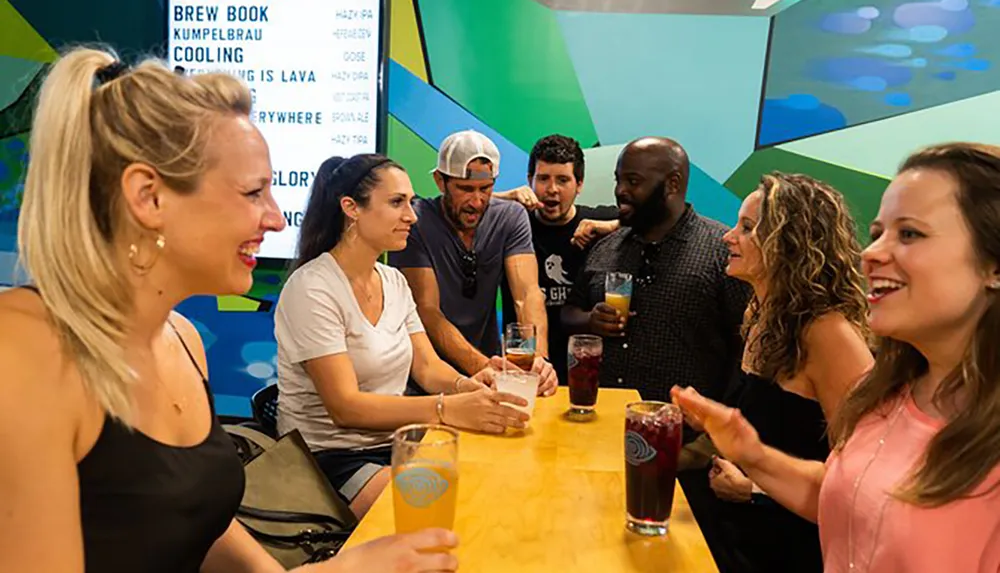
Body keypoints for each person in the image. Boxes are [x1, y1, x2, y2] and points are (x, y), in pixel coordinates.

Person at [0, 46, 458, 573]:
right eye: (252, 192)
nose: (277, 219)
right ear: (149, 197)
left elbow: (195, 518)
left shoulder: (183, 339)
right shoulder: (26, 352)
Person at [673, 142, 1000, 573]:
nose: (871, 253)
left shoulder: (830, 337)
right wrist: (750, 452)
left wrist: (753, 481)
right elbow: (847, 494)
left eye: (910, 233)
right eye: (879, 232)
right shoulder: (892, 391)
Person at [274, 153, 529, 519]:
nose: (411, 215)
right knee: (449, 516)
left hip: (396, 443)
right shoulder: (312, 288)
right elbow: (345, 407)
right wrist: (444, 410)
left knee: (492, 489)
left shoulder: (393, 280)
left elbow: (427, 367)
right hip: (330, 458)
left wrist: (469, 385)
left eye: (410, 202)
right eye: (397, 202)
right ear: (351, 208)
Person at [560, 136, 749, 561]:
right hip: (599, 452)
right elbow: (568, 314)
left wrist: (711, 445)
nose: (620, 191)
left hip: (688, 464)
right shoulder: (606, 247)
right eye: (618, 180)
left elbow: (748, 358)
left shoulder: (722, 255)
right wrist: (590, 320)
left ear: (673, 183)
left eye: (633, 181)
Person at [706, 173, 874, 573]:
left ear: (788, 243)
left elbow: (863, 481)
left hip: (793, 550)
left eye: (747, 228)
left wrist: (755, 491)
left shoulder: (829, 334)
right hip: (738, 536)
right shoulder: (759, 313)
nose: (728, 237)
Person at [389, 130, 556, 394]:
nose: (477, 201)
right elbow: (427, 310)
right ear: (440, 182)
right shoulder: (415, 223)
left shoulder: (511, 218)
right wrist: (483, 366)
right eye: (465, 189)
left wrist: (540, 360)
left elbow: (527, 294)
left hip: (491, 375)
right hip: (427, 379)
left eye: (486, 188)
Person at [495, 134, 619, 381]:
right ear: (529, 180)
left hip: (585, 368)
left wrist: (610, 226)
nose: (552, 189)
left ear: (579, 184)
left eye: (563, 180)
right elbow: (454, 203)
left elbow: (655, 218)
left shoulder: (595, 221)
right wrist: (505, 197)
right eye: (543, 179)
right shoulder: (511, 223)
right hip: (525, 366)